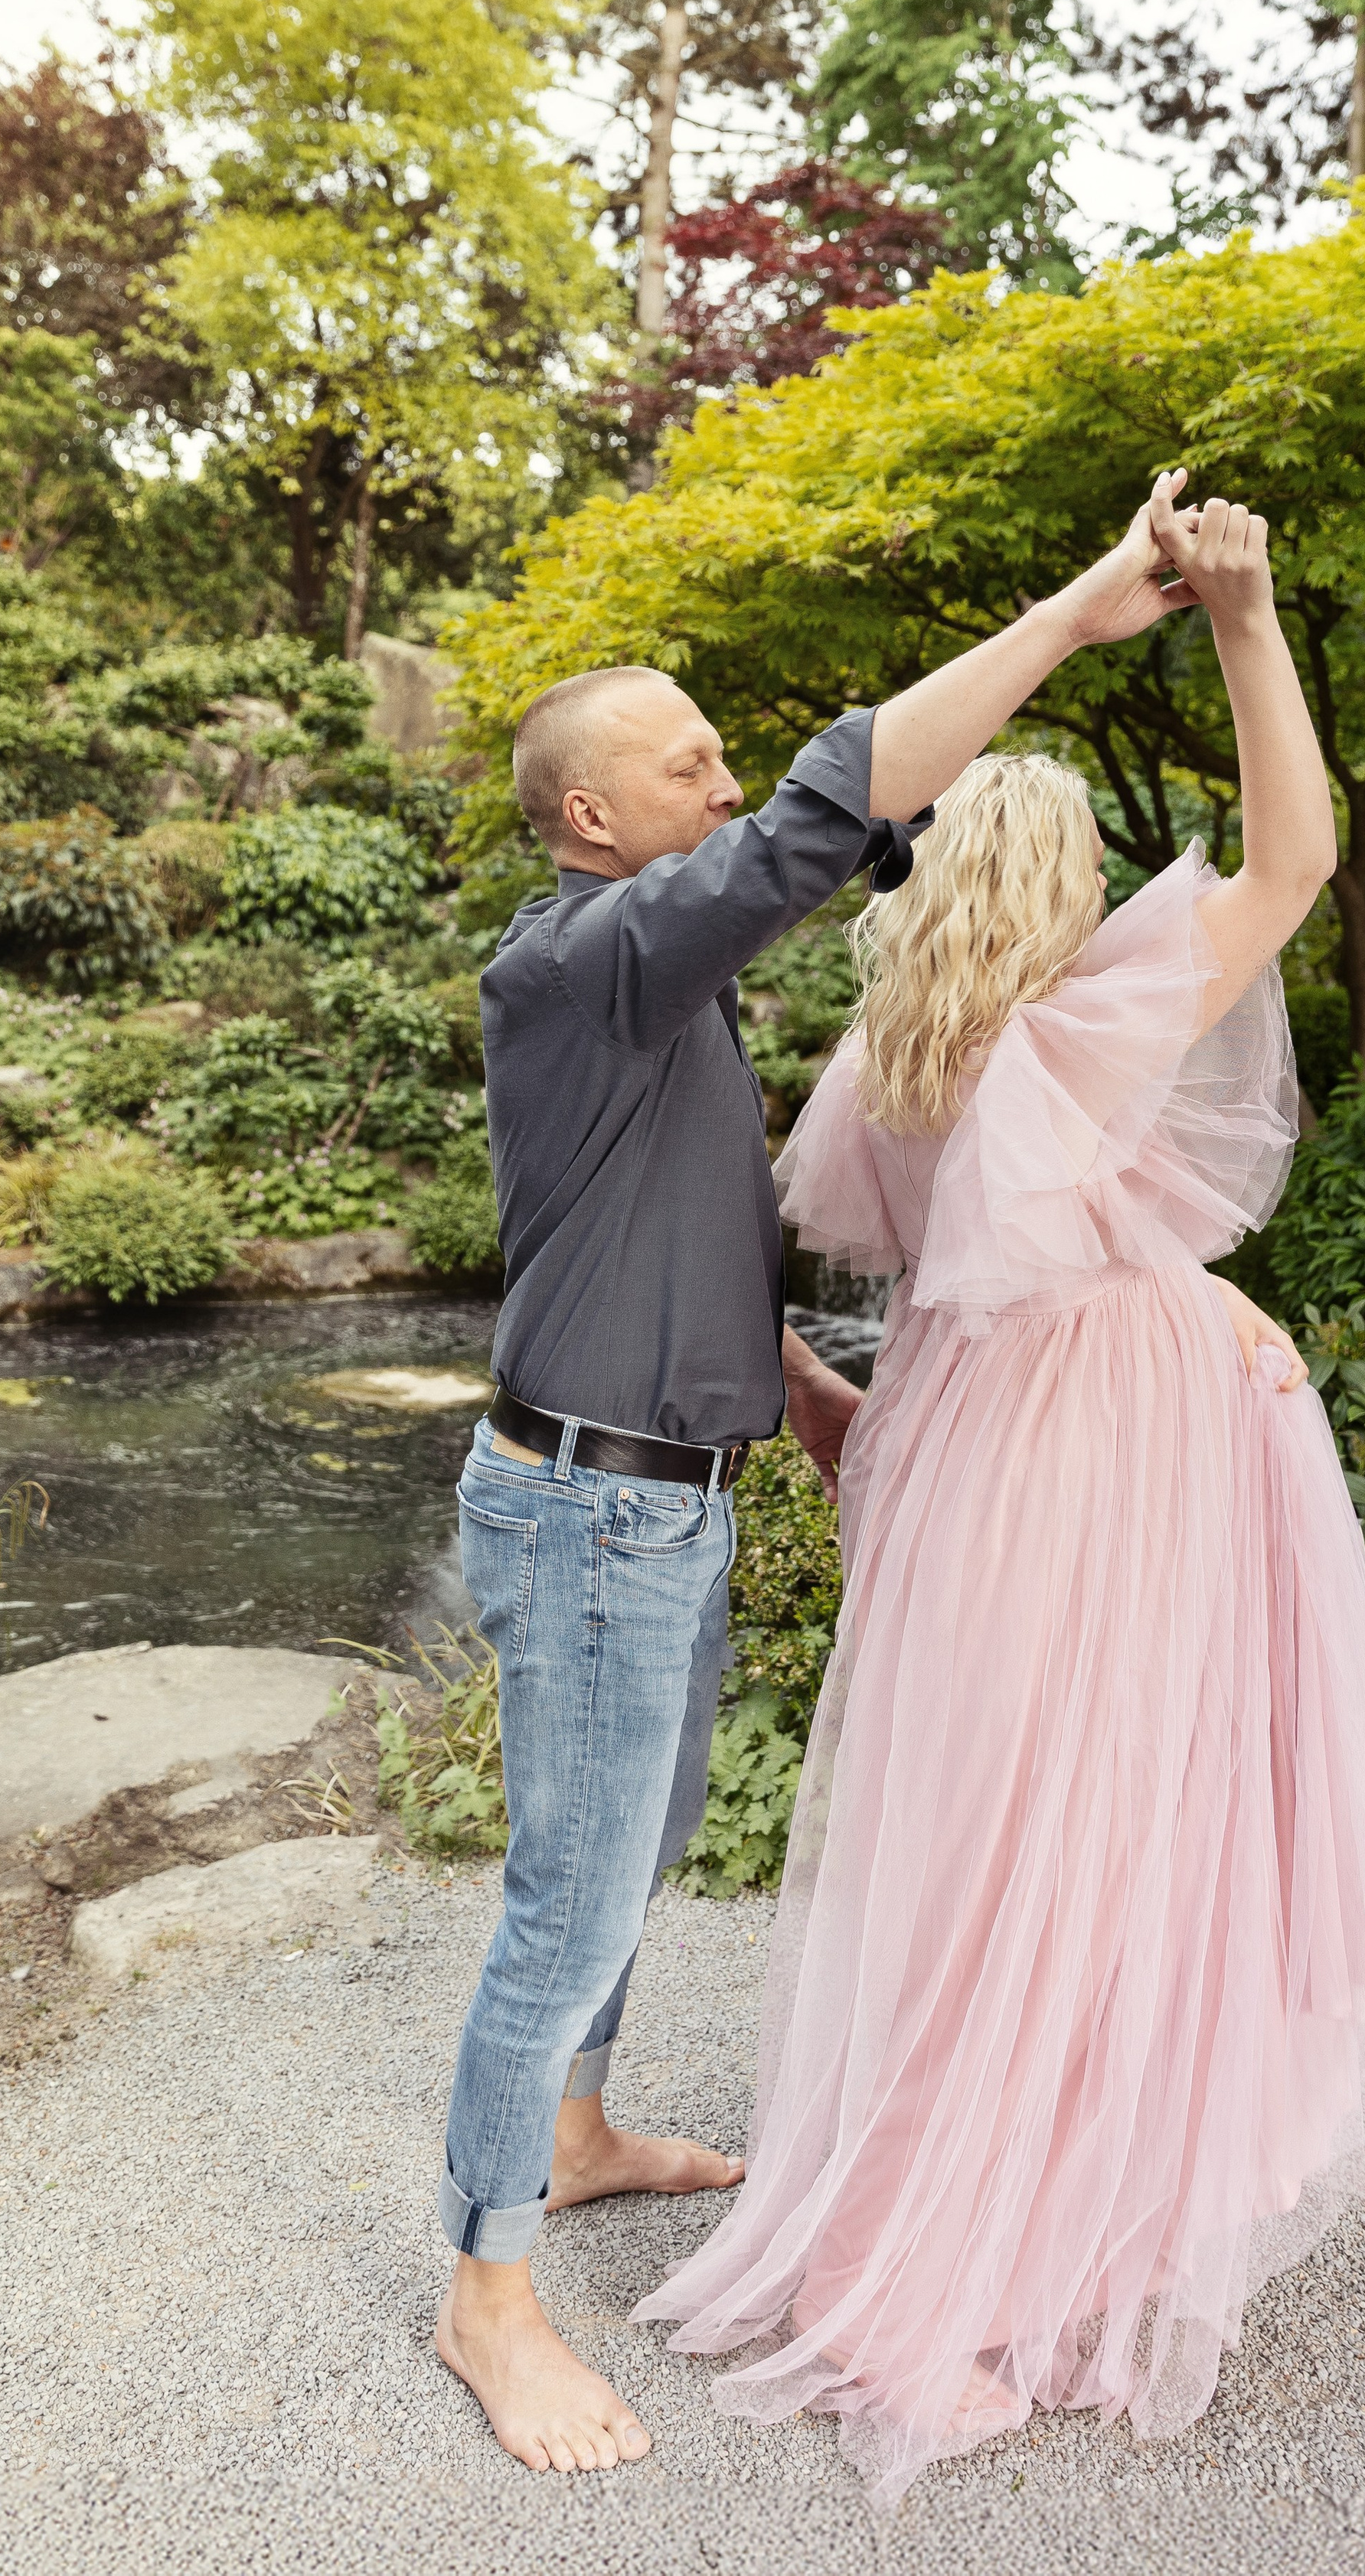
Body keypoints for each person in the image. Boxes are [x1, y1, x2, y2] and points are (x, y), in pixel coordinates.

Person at [633, 495, 1365, 2506]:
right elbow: (1295, 860)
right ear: (1061, 884)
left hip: (958, 1451)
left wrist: (840, 1423)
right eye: (1091, 865)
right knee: (1113, 1821)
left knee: (984, 1841)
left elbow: (939, 1263)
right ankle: (1052, 2220)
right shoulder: (1086, 1026)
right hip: (1104, 1462)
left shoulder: (889, 1059)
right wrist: (1248, 621)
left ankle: (983, 2192)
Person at [433, 465, 1222, 2474]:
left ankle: (576, 2133)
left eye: (724, 758)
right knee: (567, 1896)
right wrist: (1075, 613)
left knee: (635, 1845)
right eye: (686, 767)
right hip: (593, 1505)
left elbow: (669, 1238)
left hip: (659, 1489)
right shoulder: (584, 964)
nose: (724, 786)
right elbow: (832, 806)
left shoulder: (662, 993)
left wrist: (803, 1396)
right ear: (590, 819)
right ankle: (486, 2298)